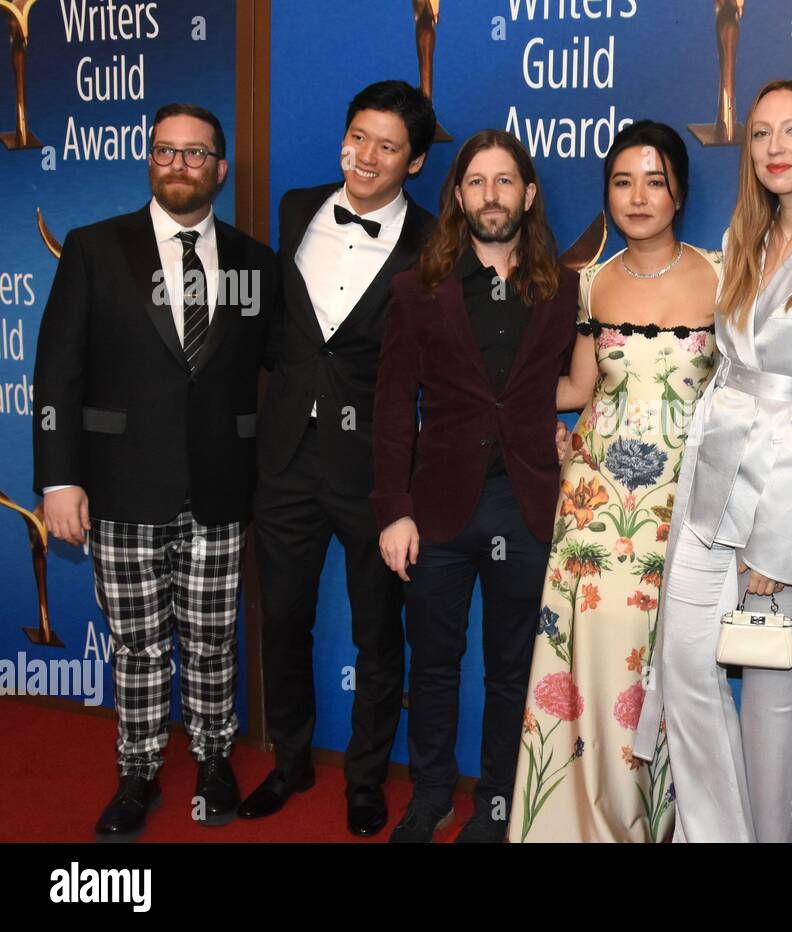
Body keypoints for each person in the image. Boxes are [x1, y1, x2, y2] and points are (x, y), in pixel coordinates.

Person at [633, 79, 792, 843]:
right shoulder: (742, 240)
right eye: (761, 135)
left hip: (784, 498)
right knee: (684, 668)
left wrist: (779, 546)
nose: (776, 149)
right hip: (710, 481)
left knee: (773, 703)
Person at [32, 103, 276, 841]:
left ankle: (211, 760)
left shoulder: (254, 263)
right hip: (119, 484)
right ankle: (136, 772)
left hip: (220, 488)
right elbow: (57, 375)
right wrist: (58, 478)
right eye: (165, 151)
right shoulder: (94, 248)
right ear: (149, 161)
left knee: (209, 638)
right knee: (138, 643)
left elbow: (285, 375)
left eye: (196, 153)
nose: (179, 164)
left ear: (220, 168)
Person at [507, 121, 722, 843]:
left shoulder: (724, 275)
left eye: (654, 180)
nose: (637, 196)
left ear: (680, 192)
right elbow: (576, 385)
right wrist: (521, 408)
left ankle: (657, 825)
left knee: (664, 672)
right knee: (596, 669)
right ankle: (585, 824)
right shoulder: (590, 282)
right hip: (596, 513)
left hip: (682, 517)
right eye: (623, 181)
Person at [238, 80, 437, 836]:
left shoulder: (430, 241)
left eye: (388, 146)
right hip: (284, 456)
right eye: (359, 136)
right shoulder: (296, 208)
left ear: (413, 163)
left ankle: (363, 778)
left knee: (378, 632)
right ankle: (289, 762)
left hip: (375, 466)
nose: (367, 156)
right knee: (283, 619)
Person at [372, 129, 579, 843]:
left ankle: (496, 803)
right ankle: (429, 795)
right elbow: (393, 406)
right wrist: (394, 511)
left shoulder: (564, 290)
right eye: (477, 182)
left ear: (528, 193)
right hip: (437, 509)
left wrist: (575, 440)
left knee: (510, 669)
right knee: (431, 664)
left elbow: (594, 383)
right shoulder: (416, 291)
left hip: (525, 505)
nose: (492, 195)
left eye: (505, 181)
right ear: (458, 197)